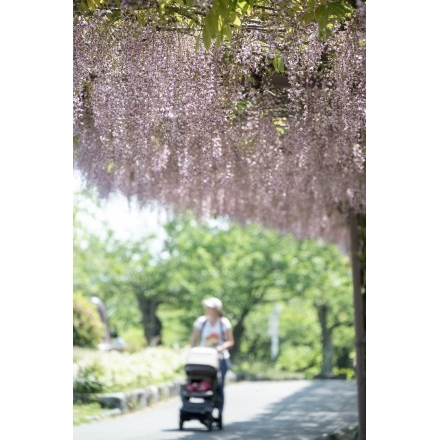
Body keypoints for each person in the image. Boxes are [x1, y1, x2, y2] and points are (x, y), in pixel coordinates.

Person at [190, 297, 234, 414]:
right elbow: (194, 339)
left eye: (211, 308)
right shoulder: (201, 321)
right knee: (201, 381)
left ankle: (219, 409)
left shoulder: (223, 322)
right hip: (204, 357)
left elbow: (230, 341)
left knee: (219, 384)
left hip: (220, 357)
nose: (208, 310)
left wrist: (221, 347)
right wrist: (193, 351)